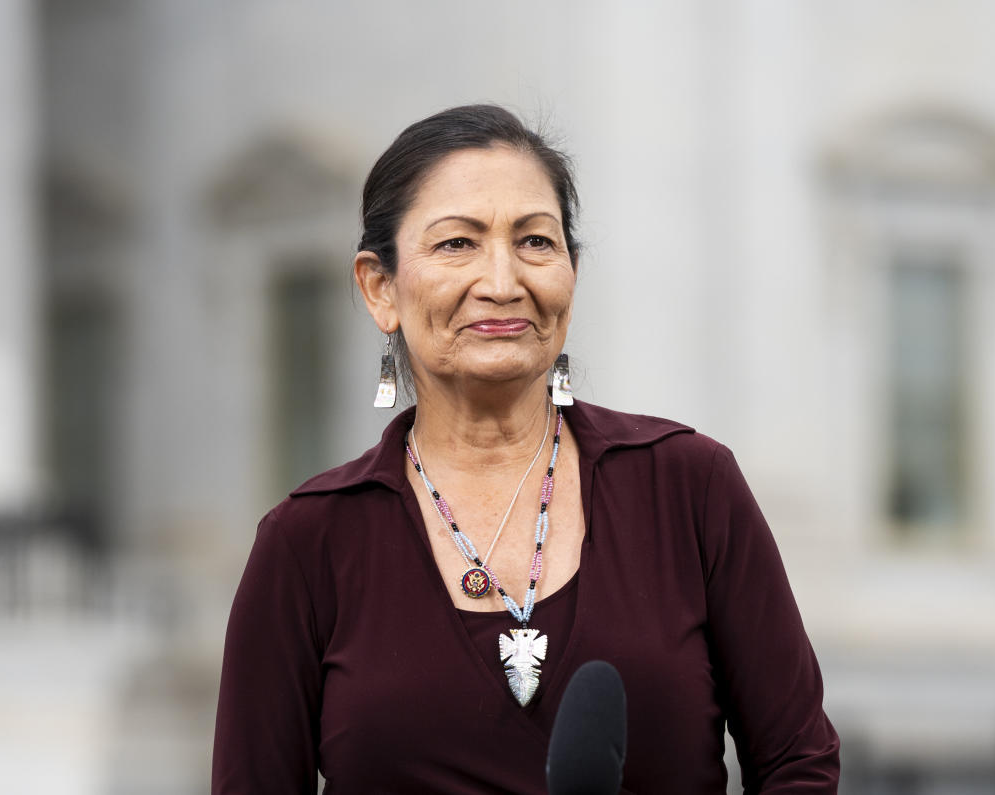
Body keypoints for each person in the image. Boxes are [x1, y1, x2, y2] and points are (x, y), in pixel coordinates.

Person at [212, 104, 839, 794]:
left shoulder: (689, 486)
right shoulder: (306, 543)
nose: (504, 281)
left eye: (536, 242)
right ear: (379, 286)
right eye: (458, 244)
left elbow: (798, 763)